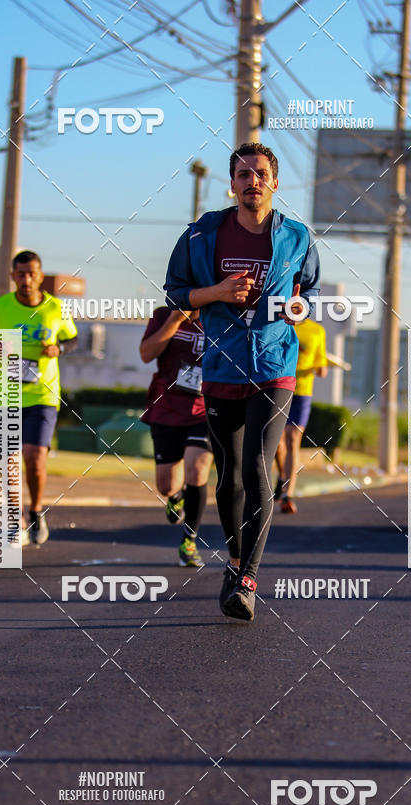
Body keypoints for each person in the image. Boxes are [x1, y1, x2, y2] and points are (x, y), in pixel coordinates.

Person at [164, 142, 320, 621]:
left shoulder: (297, 236)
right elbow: (174, 291)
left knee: (256, 464)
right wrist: (217, 292)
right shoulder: (201, 234)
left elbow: (308, 290)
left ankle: (248, 577)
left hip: (274, 365)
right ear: (231, 184)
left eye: (261, 174)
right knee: (228, 473)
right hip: (220, 364)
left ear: (275, 183)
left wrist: (300, 308)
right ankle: (233, 565)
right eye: (243, 174)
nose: (252, 181)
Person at [0, 250, 78, 545]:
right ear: (12, 276)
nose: (26, 279)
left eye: (32, 273)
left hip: (42, 395)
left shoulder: (55, 308)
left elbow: (72, 340)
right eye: (20, 274)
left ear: (41, 276)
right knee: (7, 463)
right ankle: (15, 519)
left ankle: (36, 511)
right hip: (3, 395)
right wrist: (3, 345)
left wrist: (59, 348)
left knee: (33, 458)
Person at [139, 306, 213, 566]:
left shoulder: (222, 315)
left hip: (204, 409)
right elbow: (146, 354)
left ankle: (189, 541)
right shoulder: (163, 315)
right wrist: (175, 319)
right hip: (166, 407)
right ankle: (175, 497)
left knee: (197, 467)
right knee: (167, 485)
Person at [274, 317, 328, 514]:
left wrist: (320, 366)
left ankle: (288, 493)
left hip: (302, 392)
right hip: (279, 388)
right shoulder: (279, 324)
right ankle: (282, 475)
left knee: (293, 438)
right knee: (277, 443)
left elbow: (321, 369)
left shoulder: (316, 331)